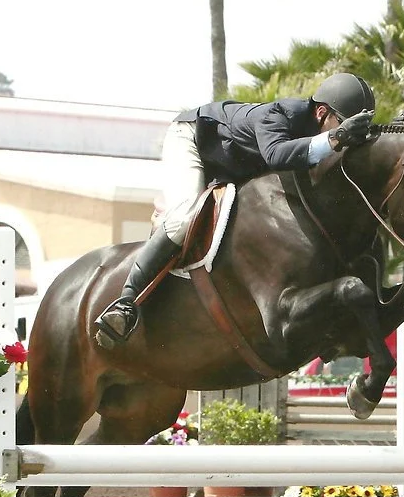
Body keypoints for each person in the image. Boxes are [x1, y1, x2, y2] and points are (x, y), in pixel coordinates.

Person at [94, 72, 377, 347]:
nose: (346, 137)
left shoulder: (319, 132)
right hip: (192, 139)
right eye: (342, 123)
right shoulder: (278, 114)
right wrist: (337, 137)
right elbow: (276, 155)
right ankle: (125, 302)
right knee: (182, 219)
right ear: (321, 113)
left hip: (230, 163)